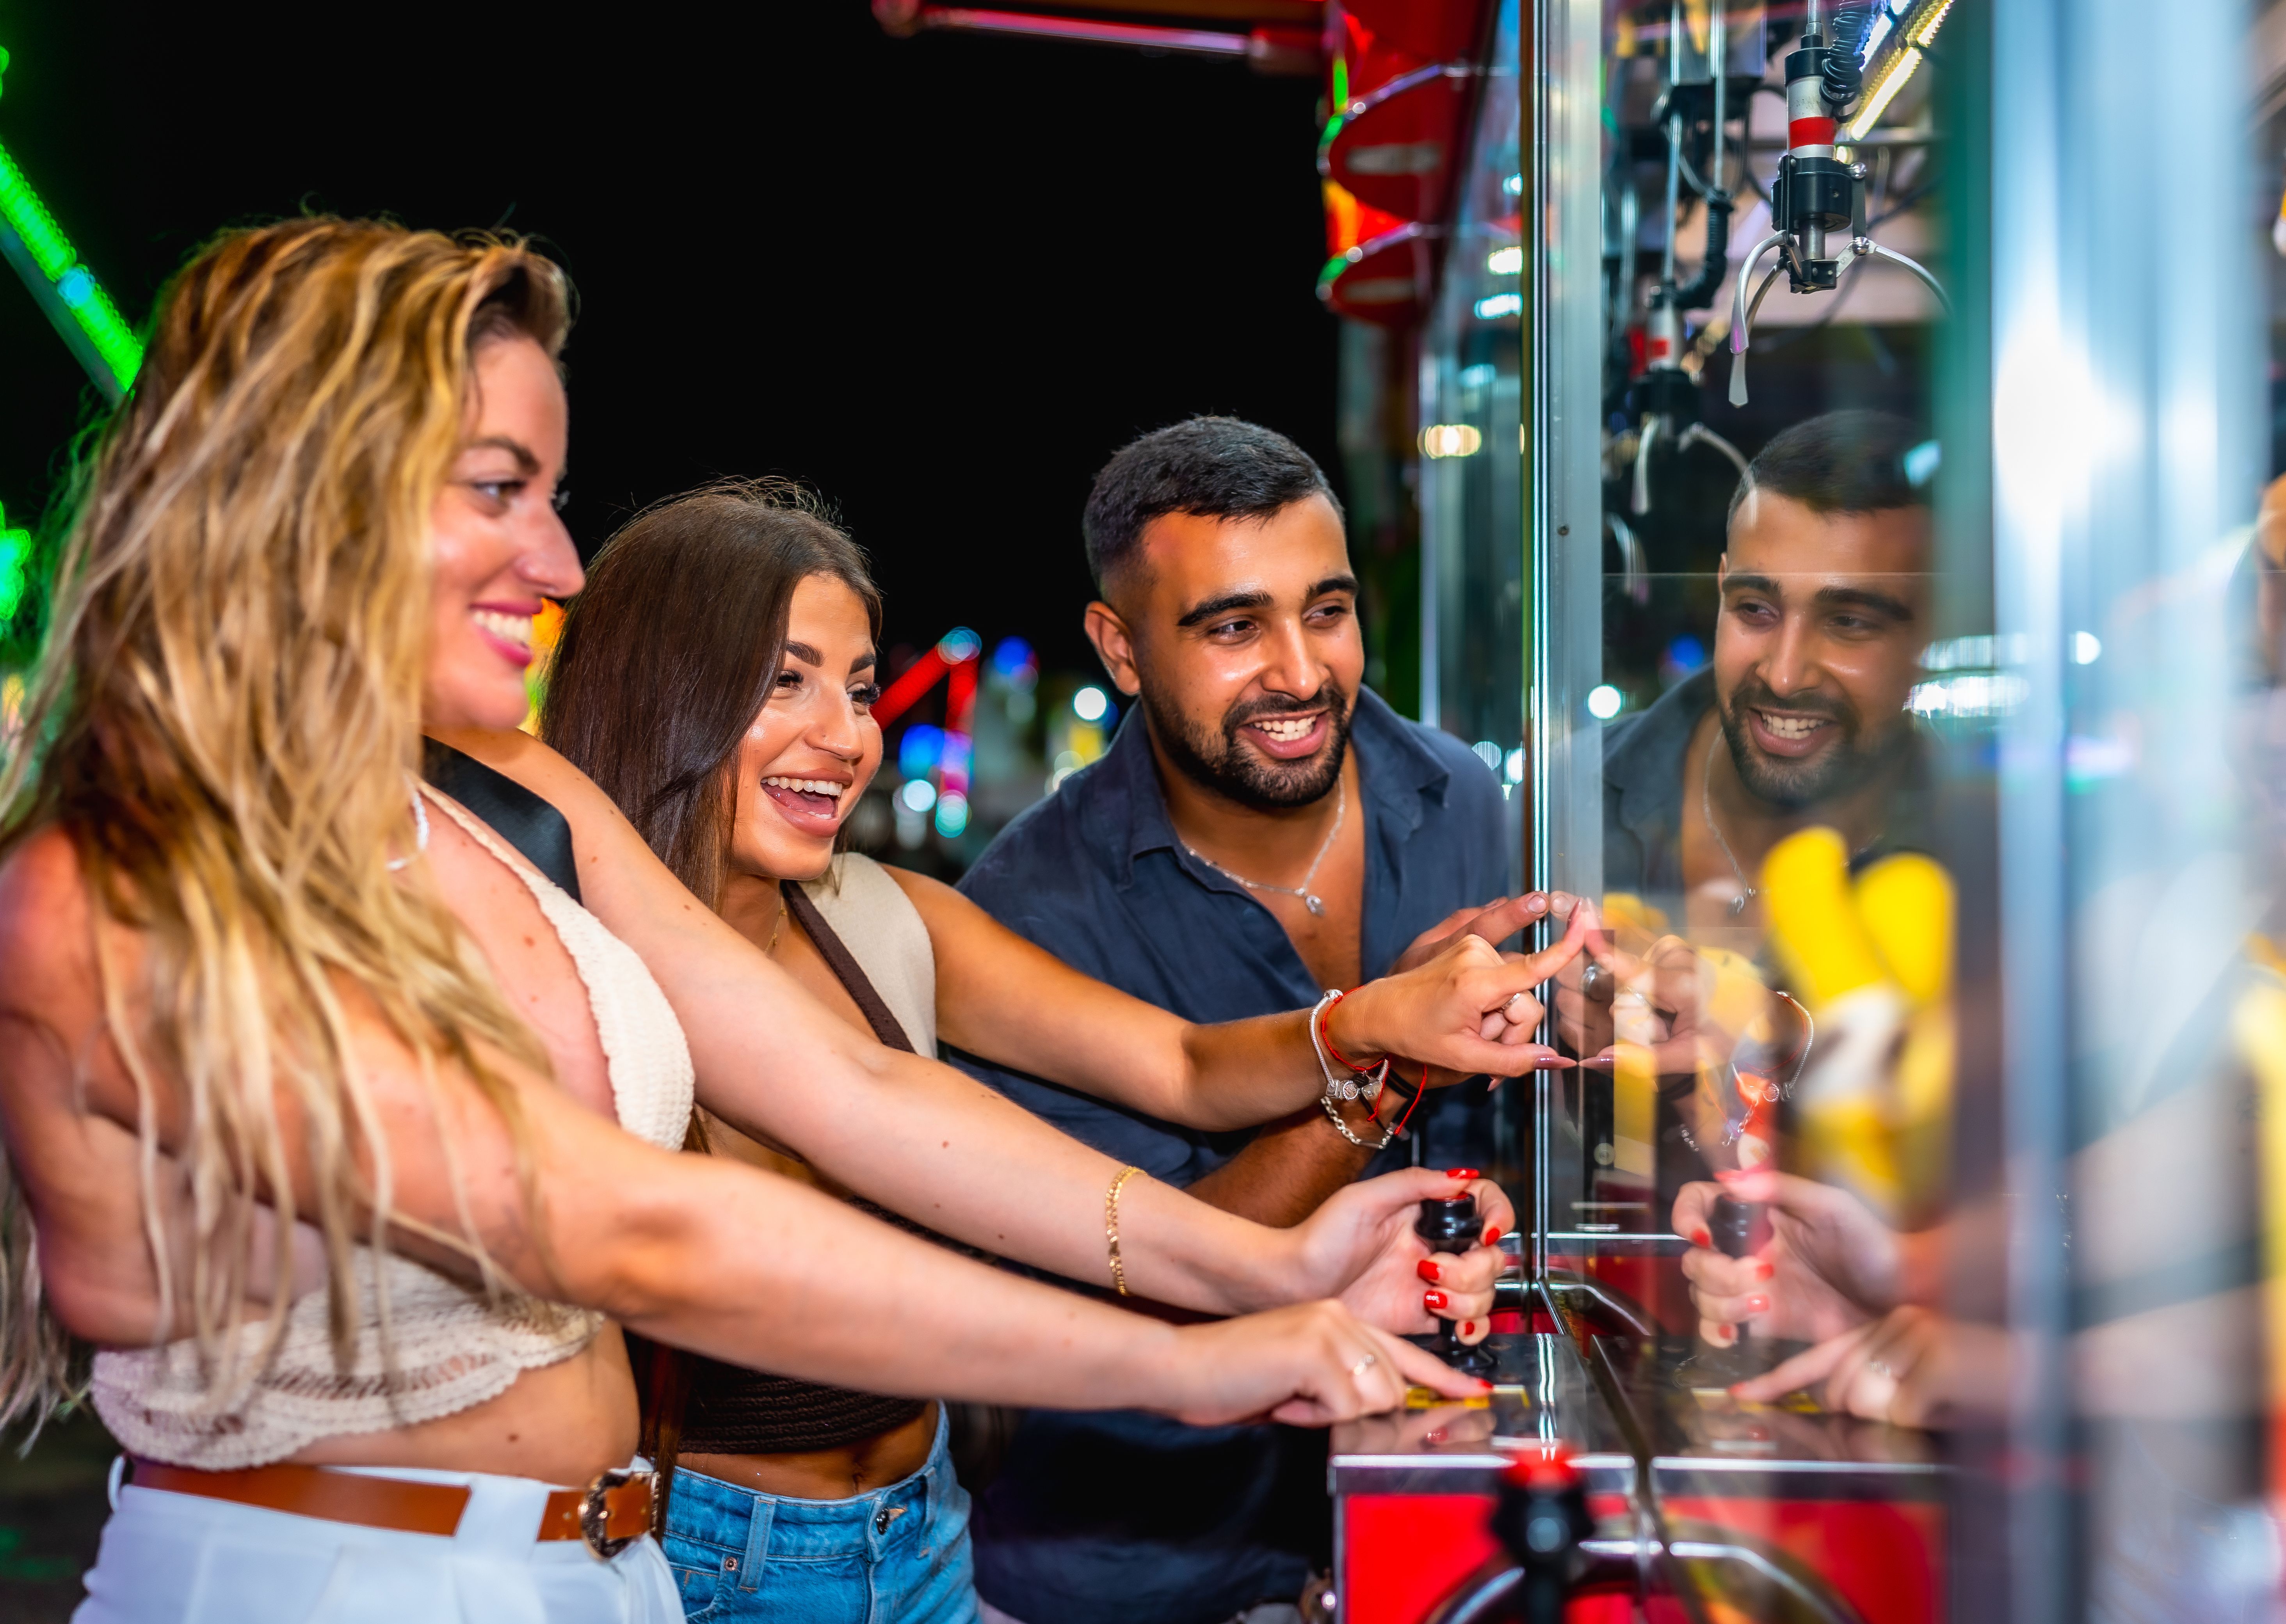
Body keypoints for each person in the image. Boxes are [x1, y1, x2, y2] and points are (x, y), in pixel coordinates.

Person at [0, 220, 1528, 1624]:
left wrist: (1276, 1267)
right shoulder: (120, 887)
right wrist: (1196, 1360)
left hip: (598, 1570)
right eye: (498, 490)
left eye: (550, 497)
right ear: (305, 488)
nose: (559, 564)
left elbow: (858, 1090)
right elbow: (640, 1230)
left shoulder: (507, 792)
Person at [532, 478, 1581, 1622]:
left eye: (860, 688)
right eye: (785, 681)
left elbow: (1180, 1063)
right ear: (661, 689)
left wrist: (1369, 1030)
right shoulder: (561, 965)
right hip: (704, 1552)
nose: (845, 737)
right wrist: (1243, 1311)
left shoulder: (890, 917)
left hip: (926, 1533)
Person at [948, 417, 1536, 1624]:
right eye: (1233, 628)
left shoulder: (1460, 797)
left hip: (1435, 1520)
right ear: (1119, 649)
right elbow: (1132, 1279)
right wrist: (1384, 1060)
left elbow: (1511, 1152)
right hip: (1147, 1562)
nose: (1300, 672)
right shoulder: (1025, 910)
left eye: (1326, 611)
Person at [1601, 409, 1935, 940]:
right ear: (1721, 590)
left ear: (1933, 635)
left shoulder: (1998, 859)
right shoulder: (1562, 801)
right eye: (1756, 609)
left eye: (1848, 622)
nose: (1783, 677)